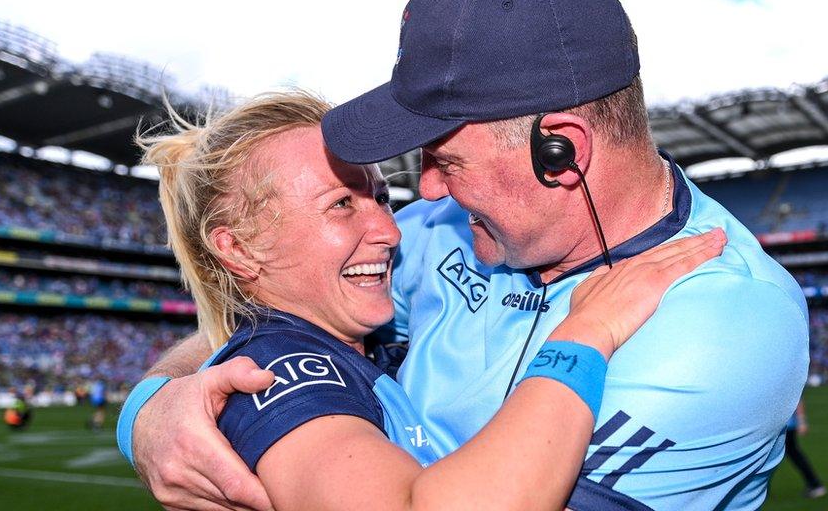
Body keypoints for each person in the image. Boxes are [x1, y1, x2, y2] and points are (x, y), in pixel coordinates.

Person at [120, 0, 810, 510]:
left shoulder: (721, 324)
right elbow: (278, 311)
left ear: (560, 150)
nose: (417, 197)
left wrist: (580, 338)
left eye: (445, 161)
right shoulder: (439, 226)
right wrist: (157, 405)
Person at [124, 89, 724, 510]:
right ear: (238, 249)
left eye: (380, 198)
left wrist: (149, 402)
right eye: (341, 205)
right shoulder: (280, 376)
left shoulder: (341, 336)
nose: (389, 230)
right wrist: (586, 333)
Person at [784, 399, 827, 499]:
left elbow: (798, 399)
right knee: (790, 454)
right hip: (782, 425)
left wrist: (802, 421)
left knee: (792, 455)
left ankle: (815, 484)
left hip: (784, 426)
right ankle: (815, 484)